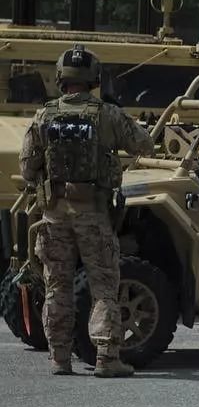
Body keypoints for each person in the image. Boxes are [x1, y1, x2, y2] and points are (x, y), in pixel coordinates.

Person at [19, 45, 154, 377]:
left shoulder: (44, 115)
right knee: (105, 286)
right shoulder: (107, 114)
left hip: (54, 216)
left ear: (61, 78)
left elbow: (27, 167)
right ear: (94, 79)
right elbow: (144, 144)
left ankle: (60, 358)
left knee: (57, 286)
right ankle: (107, 359)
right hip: (93, 214)